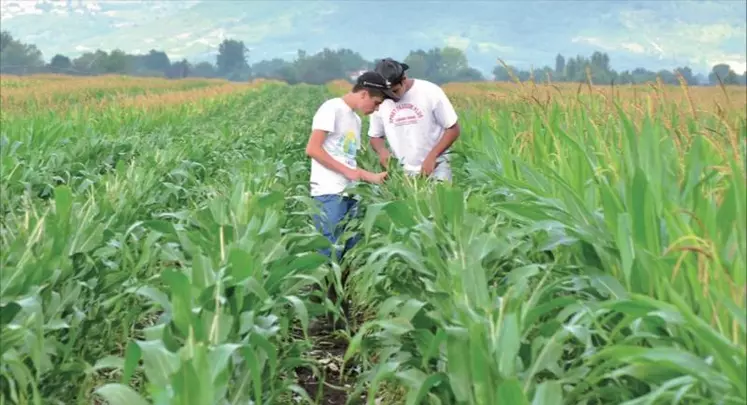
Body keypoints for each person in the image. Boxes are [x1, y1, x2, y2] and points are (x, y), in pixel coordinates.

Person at [305, 70, 399, 263]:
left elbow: (347, 160)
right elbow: (313, 149)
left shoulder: (355, 120)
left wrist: (373, 177)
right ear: (364, 93)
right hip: (329, 193)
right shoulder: (332, 108)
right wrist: (349, 172)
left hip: (349, 194)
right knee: (329, 253)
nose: (377, 109)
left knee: (348, 254)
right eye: (377, 103)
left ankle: (342, 293)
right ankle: (322, 293)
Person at [368, 58, 461, 181]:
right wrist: (382, 151)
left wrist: (433, 157)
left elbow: (453, 128)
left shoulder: (429, 92)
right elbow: (375, 136)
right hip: (402, 173)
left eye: (395, 91)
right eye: (388, 93)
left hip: (436, 168)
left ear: (404, 79)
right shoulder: (380, 101)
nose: (393, 97)